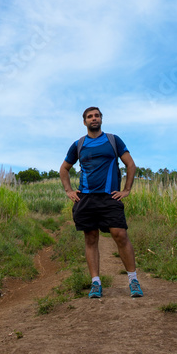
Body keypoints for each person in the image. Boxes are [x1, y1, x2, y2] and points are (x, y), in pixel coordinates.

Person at [59, 106, 143, 298]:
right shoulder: (78, 145)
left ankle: (133, 280)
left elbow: (130, 164)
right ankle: (95, 283)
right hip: (86, 198)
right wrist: (69, 190)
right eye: (90, 116)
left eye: (96, 116)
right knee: (90, 238)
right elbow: (64, 169)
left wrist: (127, 190)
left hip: (109, 197)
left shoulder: (113, 140)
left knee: (120, 234)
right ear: (84, 122)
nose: (93, 119)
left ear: (101, 119)